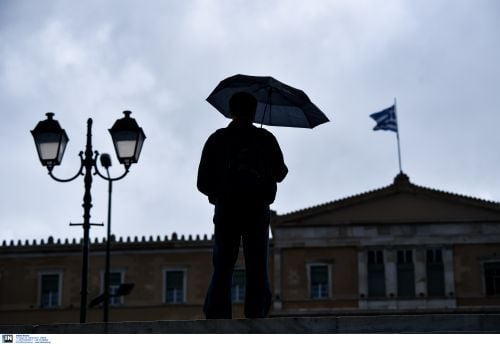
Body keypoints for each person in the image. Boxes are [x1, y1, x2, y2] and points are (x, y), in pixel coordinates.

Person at [197, 91, 288, 319]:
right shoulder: (265, 139)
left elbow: (202, 182)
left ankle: (217, 312)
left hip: (227, 209)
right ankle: (256, 313)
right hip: (257, 210)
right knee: (257, 264)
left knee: (223, 263)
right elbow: (281, 173)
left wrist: (218, 191)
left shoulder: (217, 139)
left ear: (230, 110)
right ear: (254, 111)